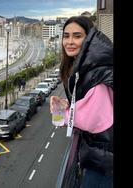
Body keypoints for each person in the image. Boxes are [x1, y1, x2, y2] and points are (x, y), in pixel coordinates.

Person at [49, 16, 113, 188]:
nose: (69, 41)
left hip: (104, 161)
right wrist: (67, 106)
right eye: (66, 36)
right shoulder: (86, 68)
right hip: (97, 153)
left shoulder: (96, 71)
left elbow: (92, 120)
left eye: (77, 36)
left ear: (88, 39)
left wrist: (60, 112)